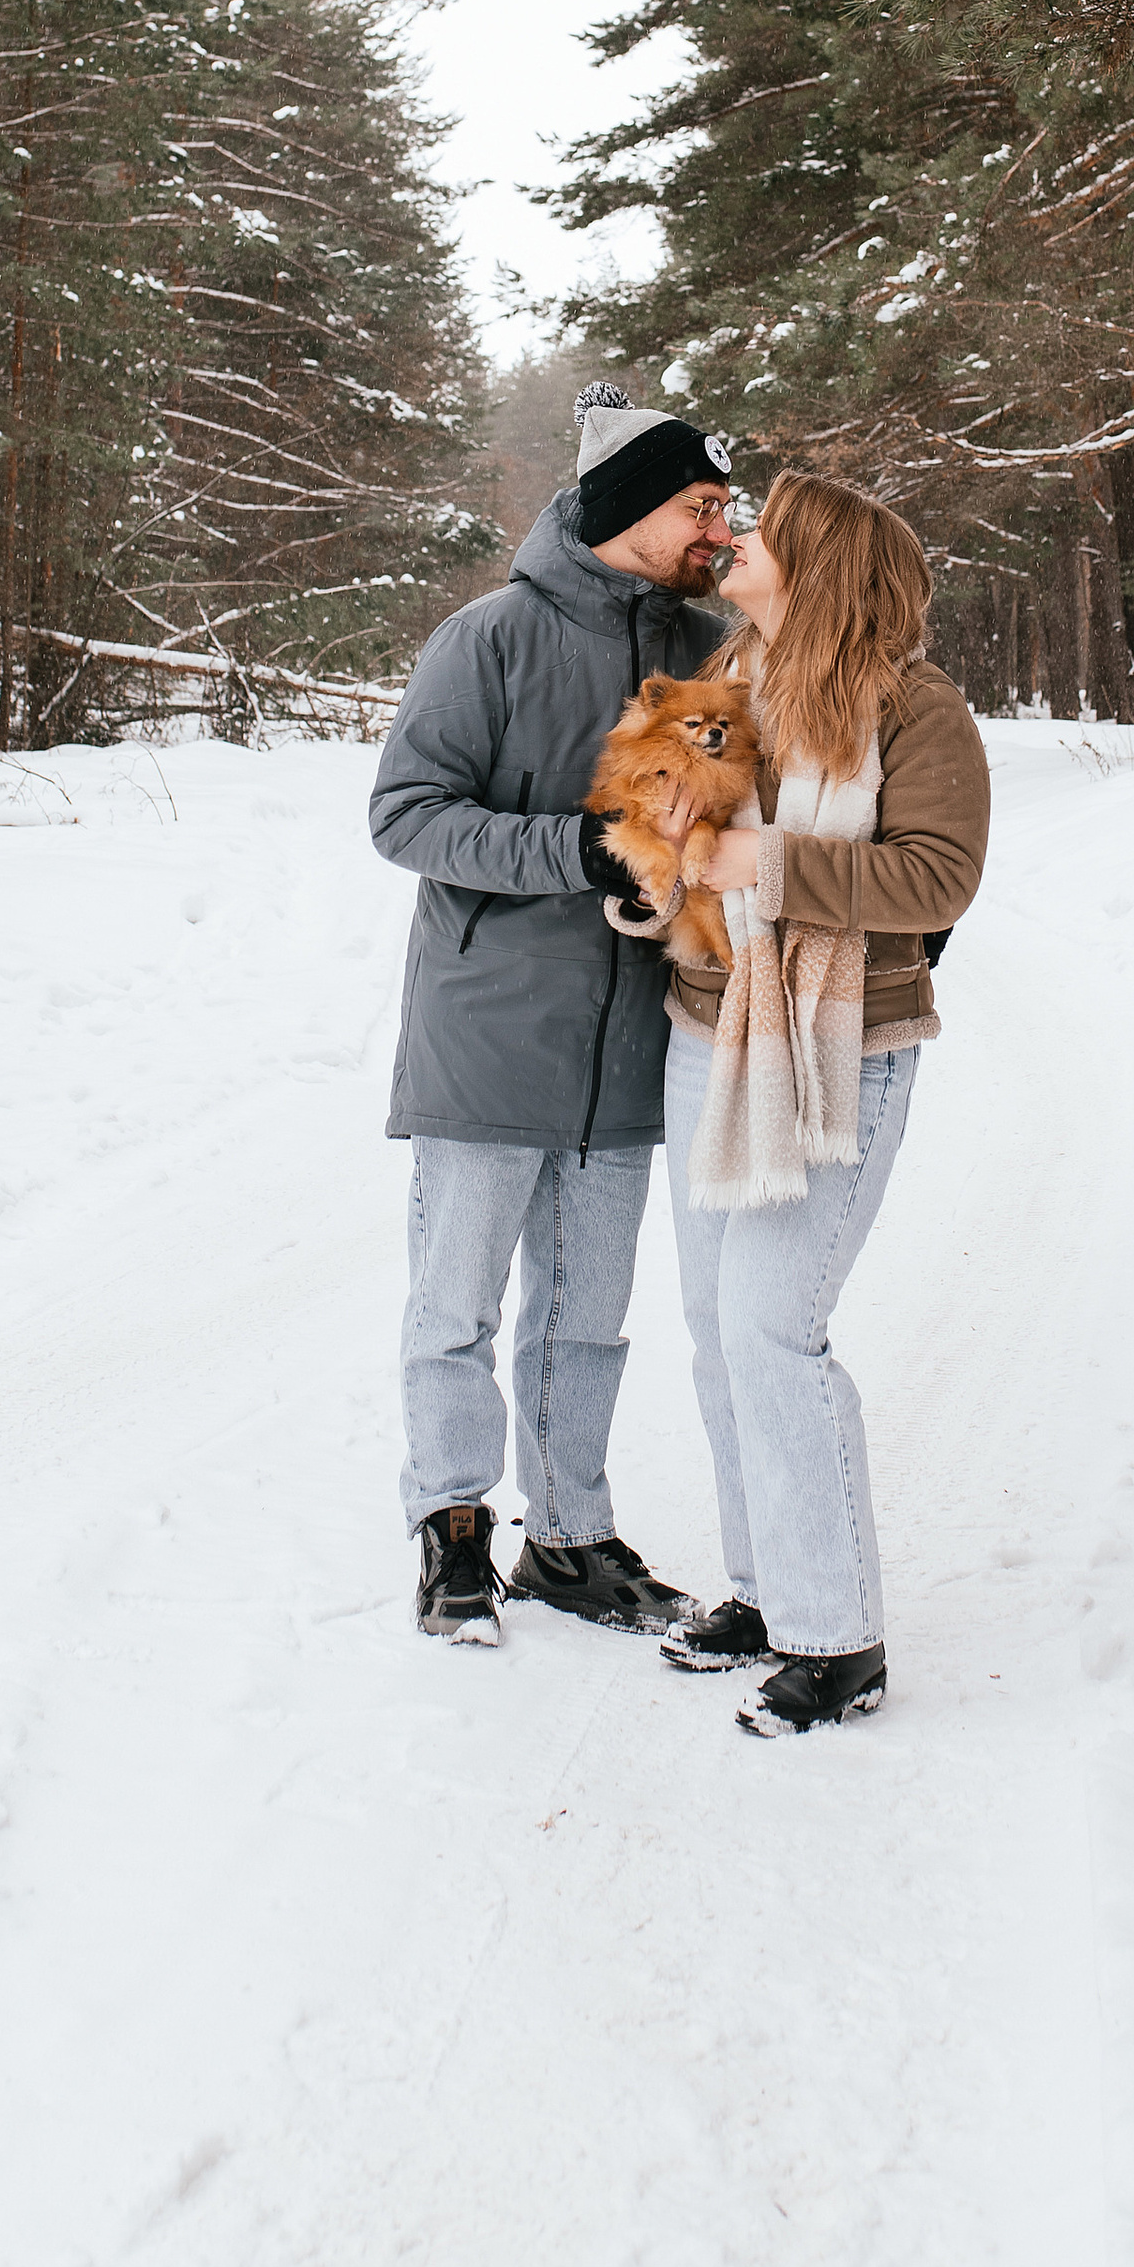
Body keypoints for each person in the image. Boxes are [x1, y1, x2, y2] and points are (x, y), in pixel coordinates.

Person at [369, 382, 734, 1643]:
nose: (718, 528)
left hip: (634, 1038)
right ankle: (453, 1529)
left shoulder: (703, 651)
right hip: (489, 1031)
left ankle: (570, 1537)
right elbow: (406, 815)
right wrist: (577, 852)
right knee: (456, 1304)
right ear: (631, 510)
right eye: (700, 504)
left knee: (588, 1317)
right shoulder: (488, 638)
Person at [651, 470, 989, 1735]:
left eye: (759, 532)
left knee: (767, 1326)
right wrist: (663, 857)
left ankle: (837, 1635)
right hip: (708, 1033)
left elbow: (937, 876)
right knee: (711, 1321)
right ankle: (762, 1586)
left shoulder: (914, 709)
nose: (732, 540)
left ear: (822, 565)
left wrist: (770, 862)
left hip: (842, 1046)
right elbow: (669, 863)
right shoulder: (724, 686)